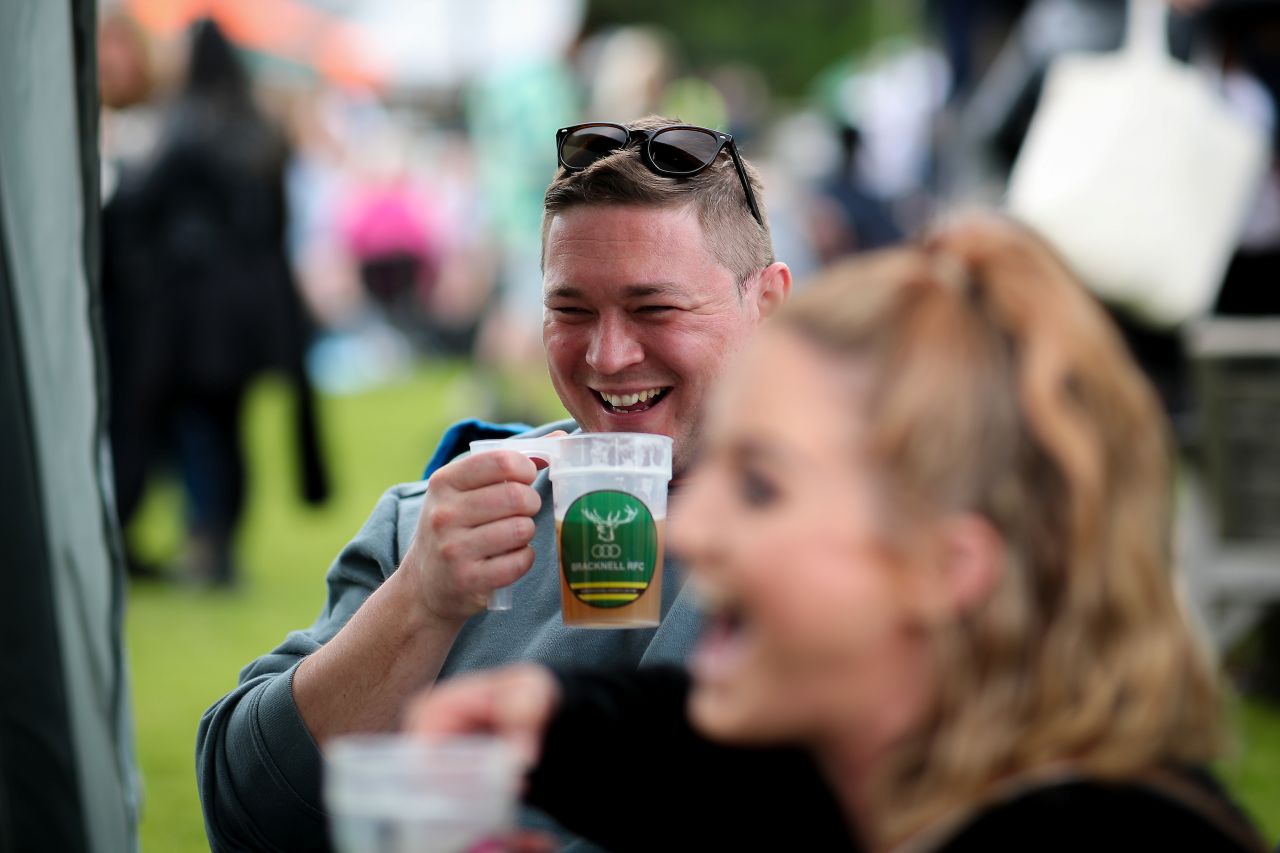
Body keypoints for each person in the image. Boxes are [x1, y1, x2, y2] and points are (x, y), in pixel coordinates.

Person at [406, 215, 1267, 853]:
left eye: (761, 485)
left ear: (945, 566)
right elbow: (707, 765)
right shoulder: (869, 776)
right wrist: (550, 721)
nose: (691, 527)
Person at [196, 116, 792, 851]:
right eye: (569, 310)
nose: (607, 356)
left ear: (767, 303)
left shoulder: (851, 550)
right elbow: (247, 813)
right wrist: (419, 602)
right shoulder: (441, 520)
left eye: (654, 308)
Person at [104, 18, 327, 585]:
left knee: (197, 428)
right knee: (229, 429)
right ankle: (221, 544)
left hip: (196, 317)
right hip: (254, 314)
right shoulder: (263, 129)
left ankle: (205, 539)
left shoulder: (184, 128)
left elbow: (139, 203)